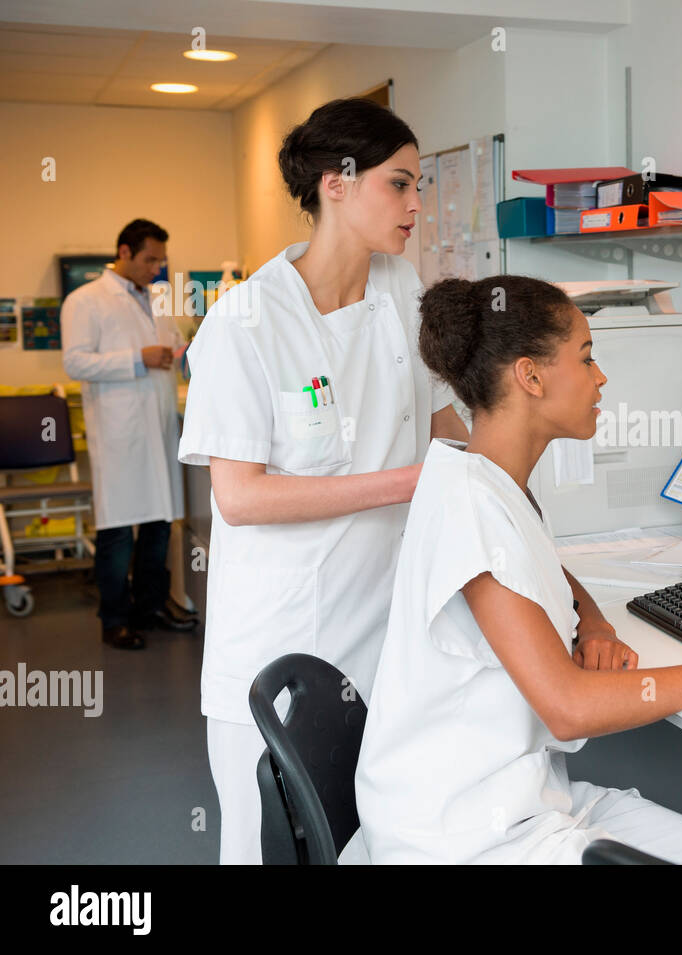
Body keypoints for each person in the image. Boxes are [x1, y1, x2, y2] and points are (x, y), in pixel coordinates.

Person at [355, 275, 682, 864]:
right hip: (464, 837)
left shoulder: (483, 477)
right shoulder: (475, 507)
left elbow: (542, 566)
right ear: (531, 376)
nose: (600, 378)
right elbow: (570, 706)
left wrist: (594, 623)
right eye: (587, 357)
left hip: (519, 799)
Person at [177, 98, 468, 864]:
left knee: (375, 843)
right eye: (399, 184)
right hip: (281, 645)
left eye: (420, 186)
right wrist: (409, 483)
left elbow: (448, 430)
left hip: (386, 637)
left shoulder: (404, 289)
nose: (416, 205)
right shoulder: (245, 323)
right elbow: (240, 497)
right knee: (269, 848)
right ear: (336, 185)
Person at [61, 219, 197, 650]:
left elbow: (173, 345)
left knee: (159, 525)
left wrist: (184, 351)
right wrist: (136, 359)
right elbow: (76, 363)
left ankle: (150, 608)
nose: (156, 269)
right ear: (124, 252)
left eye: (161, 260)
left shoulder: (156, 298)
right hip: (120, 433)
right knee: (119, 531)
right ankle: (115, 619)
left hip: (157, 427)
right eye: (149, 259)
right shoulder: (86, 301)